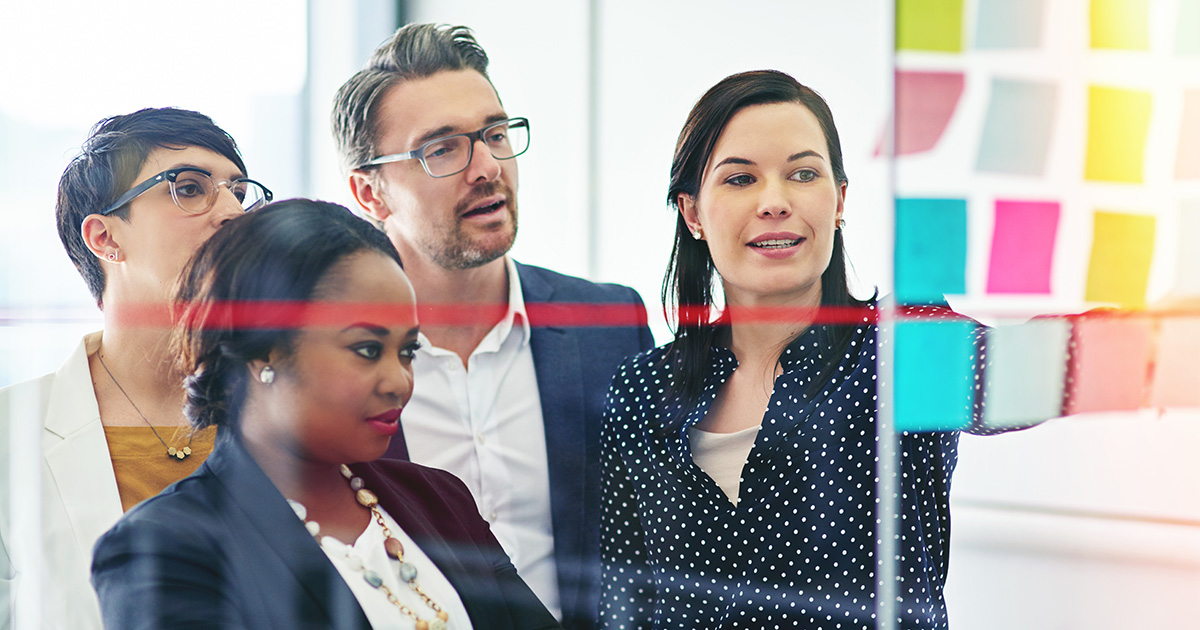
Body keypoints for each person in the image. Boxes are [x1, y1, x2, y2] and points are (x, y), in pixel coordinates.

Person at [598, 70, 981, 629]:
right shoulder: (641, 391)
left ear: (839, 199)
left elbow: (1024, 374)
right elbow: (622, 605)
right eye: (740, 180)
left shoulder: (900, 348)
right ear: (692, 213)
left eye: (803, 174)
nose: (775, 202)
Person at [91, 199, 561, 630]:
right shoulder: (165, 548)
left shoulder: (440, 499)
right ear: (264, 351)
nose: (399, 380)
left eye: (407, 350)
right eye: (367, 349)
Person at [331, 23, 654, 629]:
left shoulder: (610, 327)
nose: (487, 167)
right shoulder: (329, 365)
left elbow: (653, 551)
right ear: (369, 194)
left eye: (495, 135)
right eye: (443, 148)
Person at [0, 108, 272, 630]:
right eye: (190, 188)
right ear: (104, 238)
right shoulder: (12, 432)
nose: (233, 212)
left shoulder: (296, 412)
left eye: (240, 191)